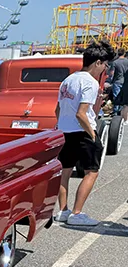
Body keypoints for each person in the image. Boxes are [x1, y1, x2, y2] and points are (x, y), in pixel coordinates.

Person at [55, 40, 116, 227]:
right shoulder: (90, 82)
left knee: (65, 171)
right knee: (91, 172)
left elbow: (58, 109)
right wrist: (93, 135)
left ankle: (63, 210)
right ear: (97, 62)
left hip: (64, 130)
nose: (105, 69)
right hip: (82, 131)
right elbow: (81, 113)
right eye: (105, 65)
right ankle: (77, 213)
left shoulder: (68, 80)